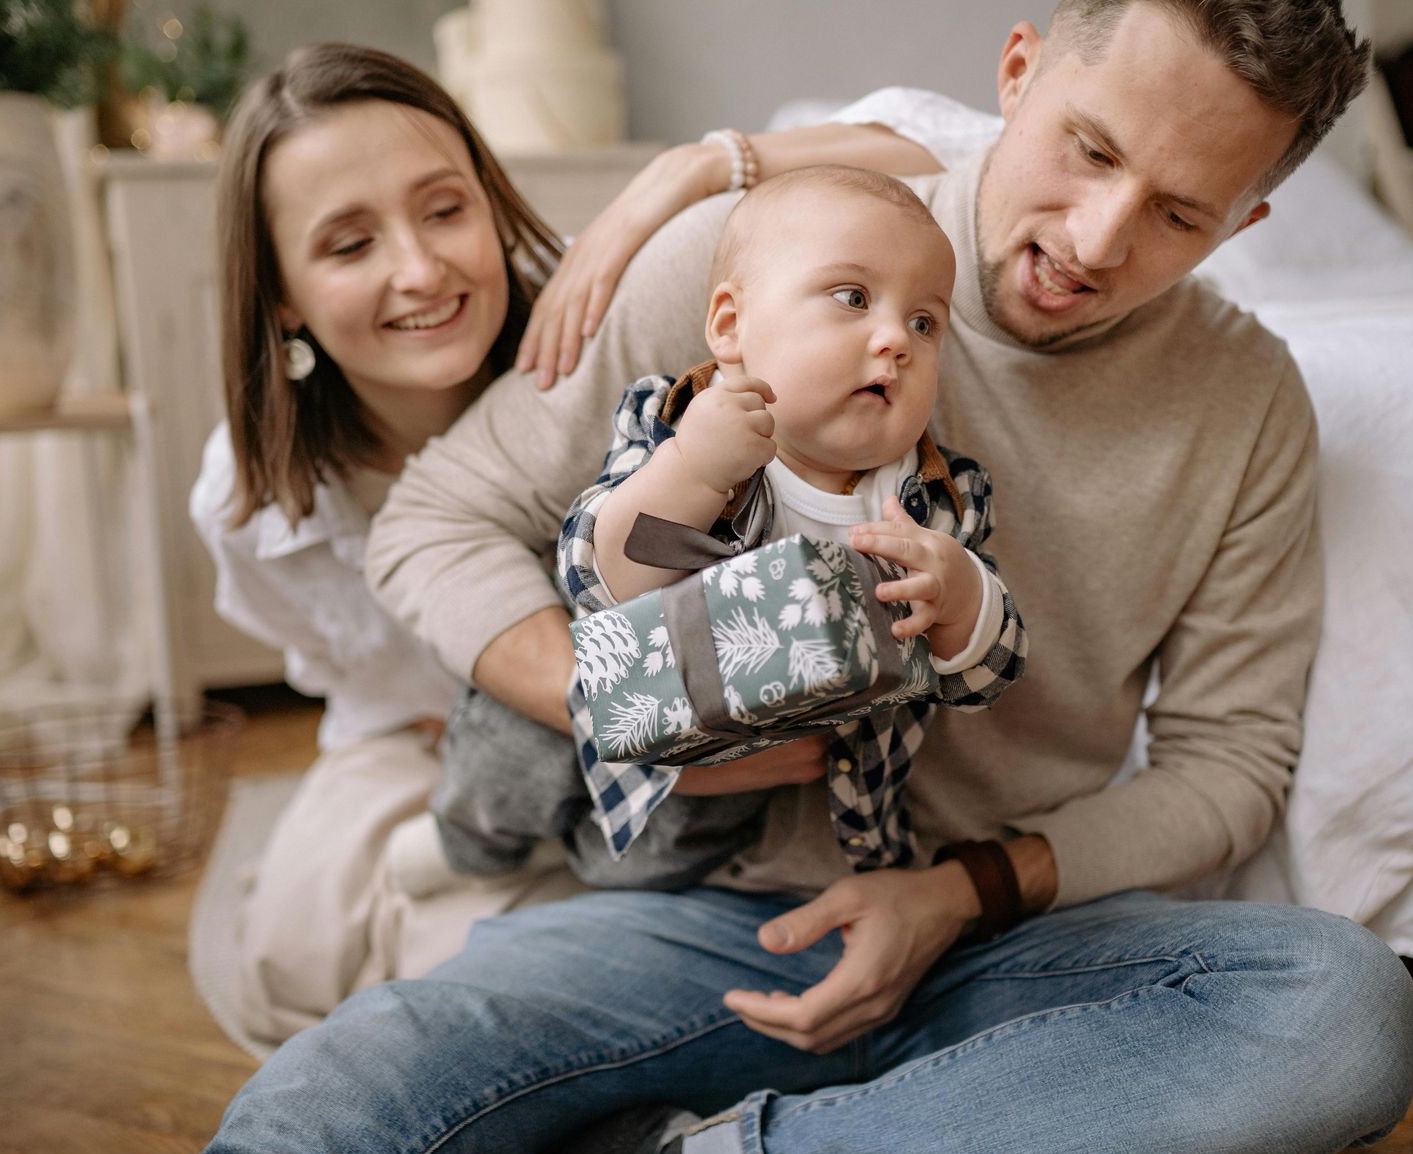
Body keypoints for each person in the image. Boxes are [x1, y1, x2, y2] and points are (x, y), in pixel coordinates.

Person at [126, 4, 1413, 1154]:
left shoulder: (1249, 403)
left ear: (1245, 223)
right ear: (1017, 71)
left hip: (995, 939)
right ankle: (880, 1153)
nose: (1094, 239)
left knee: (1343, 1011)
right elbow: (437, 522)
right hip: (704, 914)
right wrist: (648, 704)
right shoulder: (755, 256)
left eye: (1181, 214)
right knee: (335, 1097)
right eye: (1089, 150)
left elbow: (1230, 766)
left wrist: (958, 894)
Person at [185, 42, 838, 1049]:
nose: (420, 270)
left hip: (654, 745)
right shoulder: (251, 497)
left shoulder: (605, 324)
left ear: (491, 203)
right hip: (423, 741)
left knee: (513, 976)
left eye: (446, 210)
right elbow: (339, 669)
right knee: (298, 944)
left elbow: (943, 151)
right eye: (349, 245)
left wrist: (689, 170)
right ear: (281, 295)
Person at [418, 167, 1024, 894]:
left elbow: (986, 681)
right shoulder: (680, 421)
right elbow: (597, 580)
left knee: (661, 861)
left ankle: (577, 862)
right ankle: (461, 847)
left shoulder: (940, 504)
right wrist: (694, 472)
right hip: (605, 699)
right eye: (853, 298)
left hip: (744, 772)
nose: (896, 339)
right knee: (507, 760)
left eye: (925, 323)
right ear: (732, 327)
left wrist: (961, 599)